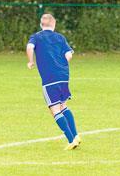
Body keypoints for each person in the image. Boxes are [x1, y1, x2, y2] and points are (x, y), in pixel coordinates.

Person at [26, 14, 81, 150]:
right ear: (54, 25)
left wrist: (31, 61)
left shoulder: (37, 36)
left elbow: (29, 47)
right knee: (63, 106)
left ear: (41, 25)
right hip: (63, 75)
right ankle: (76, 135)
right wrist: (60, 64)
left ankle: (70, 139)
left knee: (54, 109)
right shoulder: (60, 37)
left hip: (49, 78)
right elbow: (69, 55)